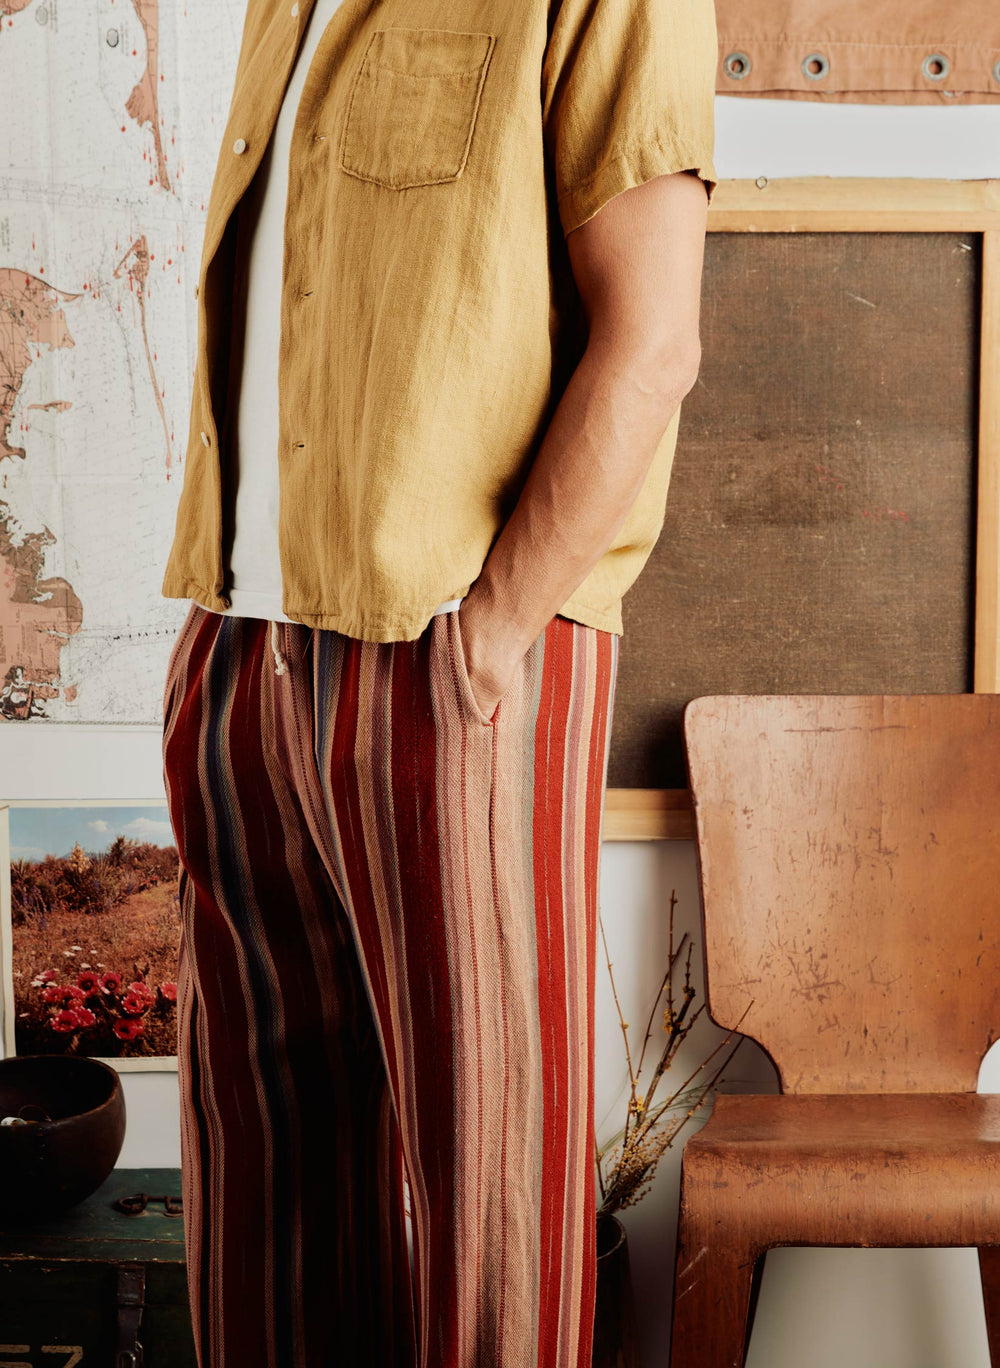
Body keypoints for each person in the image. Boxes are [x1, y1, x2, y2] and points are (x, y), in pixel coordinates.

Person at [159, 0, 718, 1363]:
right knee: (261, 1199)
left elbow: (652, 341)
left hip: (452, 659)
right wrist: (215, 643)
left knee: (488, 1217)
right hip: (241, 647)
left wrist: (497, 629)